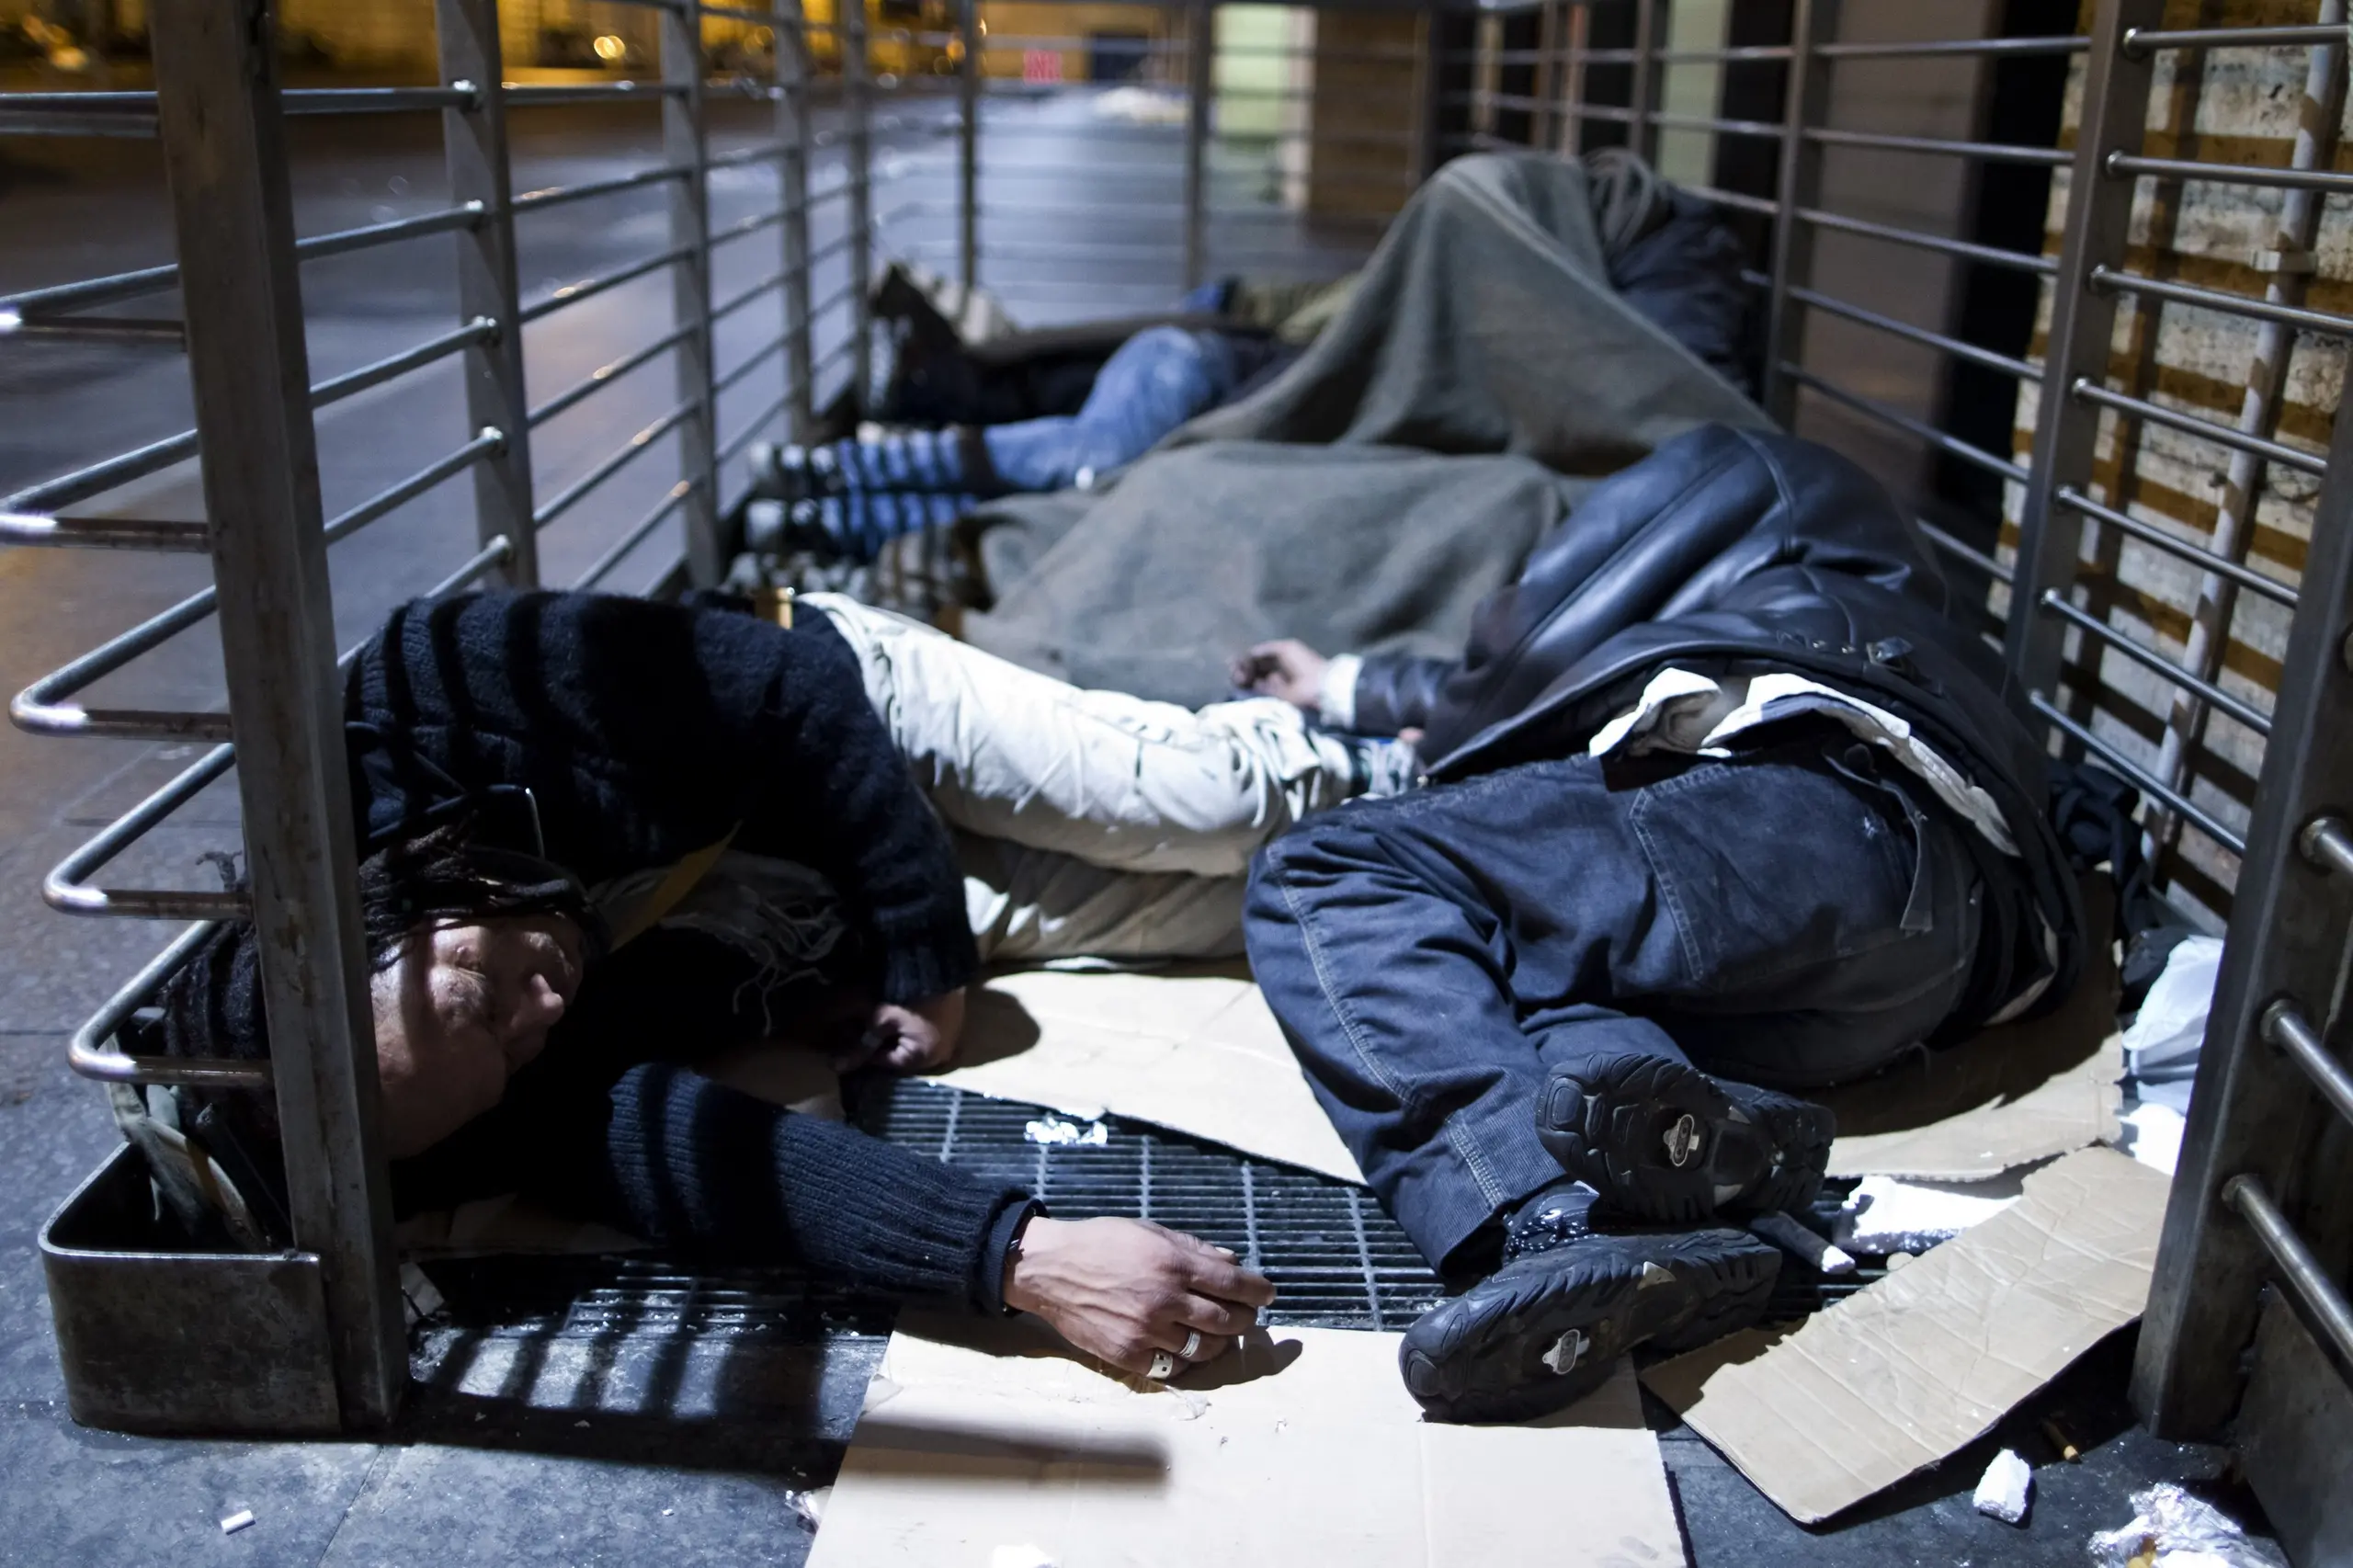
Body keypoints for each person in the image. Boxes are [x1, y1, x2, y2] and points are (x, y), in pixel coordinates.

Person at [157, 585, 1418, 1381]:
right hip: (809, 890)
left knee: (1192, 806)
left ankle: (1405, 740)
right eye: (509, 1055)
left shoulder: (440, 684)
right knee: (1253, 897)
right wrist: (1024, 1256)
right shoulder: (469, 1083)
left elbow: (800, 694)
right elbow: (709, 1159)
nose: (540, 1017)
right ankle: (1467, 828)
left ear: (379, 909)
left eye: (479, 1003)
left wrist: (929, 960)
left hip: (844, 712)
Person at [1237, 425, 2087, 1423]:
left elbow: (1542, 635)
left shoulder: (1754, 463)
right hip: (1927, 970)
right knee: (1514, 988)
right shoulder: (1889, 601)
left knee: (1329, 867)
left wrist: (1374, 707)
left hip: (1815, 824)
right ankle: (1677, 1199)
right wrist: (1347, 682)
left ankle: (1543, 1219)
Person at [747, 146, 1752, 565]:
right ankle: (839, 491)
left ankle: (832, 509)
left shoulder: (1377, 316)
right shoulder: (1400, 304)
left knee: (1087, 484)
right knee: (1090, 471)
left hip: (1202, 358)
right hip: (1206, 371)